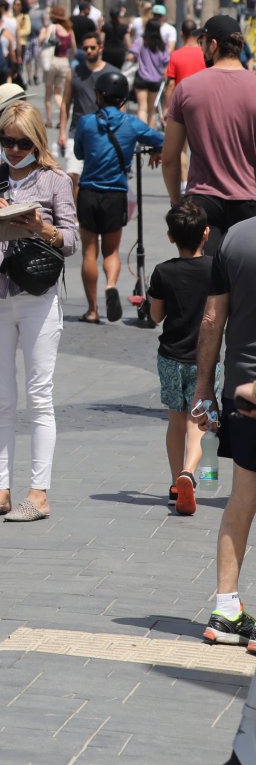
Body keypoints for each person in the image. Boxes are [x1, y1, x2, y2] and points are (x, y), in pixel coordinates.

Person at [0, 102, 78, 523]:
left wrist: (39, 227)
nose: (12, 149)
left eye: (21, 142)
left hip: (37, 294)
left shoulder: (55, 180)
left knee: (39, 393)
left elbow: (71, 239)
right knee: (0, 396)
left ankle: (39, 492)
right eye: (6, 141)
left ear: (37, 141)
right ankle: (0, 489)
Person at [190, 216, 256, 650]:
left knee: (243, 495)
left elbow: (213, 317)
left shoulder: (236, 236)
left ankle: (226, 608)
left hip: (241, 391)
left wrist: (203, 387)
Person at [73, 67, 164, 322]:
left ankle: (92, 310)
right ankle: (110, 284)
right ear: (123, 98)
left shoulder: (86, 122)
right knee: (111, 252)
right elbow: (163, 139)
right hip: (116, 194)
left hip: (89, 192)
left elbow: (79, 153)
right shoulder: (132, 124)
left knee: (89, 252)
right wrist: (156, 150)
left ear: (100, 96)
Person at [163, 14, 256, 256]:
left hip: (203, 201)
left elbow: (170, 158)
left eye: (203, 42)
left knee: (208, 280)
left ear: (214, 45)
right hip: (249, 200)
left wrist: (178, 203)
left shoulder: (187, 89)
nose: (202, 49)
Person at [149, 201, 218, 516]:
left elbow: (155, 316)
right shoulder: (216, 269)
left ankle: (176, 485)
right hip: (204, 358)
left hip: (170, 357)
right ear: (206, 233)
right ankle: (189, 473)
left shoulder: (163, 271)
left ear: (170, 236)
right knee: (198, 422)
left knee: (175, 420)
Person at [58, 31, 109, 195]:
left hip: (103, 133)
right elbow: (65, 103)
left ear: (100, 47)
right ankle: (75, 218)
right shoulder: (73, 73)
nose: (88, 51)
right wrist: (61, 133)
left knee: (97, 178)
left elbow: (120, 107)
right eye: (85, 48)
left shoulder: (111, 73)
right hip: (76, 132)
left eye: (92, 47)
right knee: (72, 175)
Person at [161, 19, 204, 114]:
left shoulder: (175, 55)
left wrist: (167, 107)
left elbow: (171, 84)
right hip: (202, 102)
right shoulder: (205, 55)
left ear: (181, 34)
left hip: (182, 103)